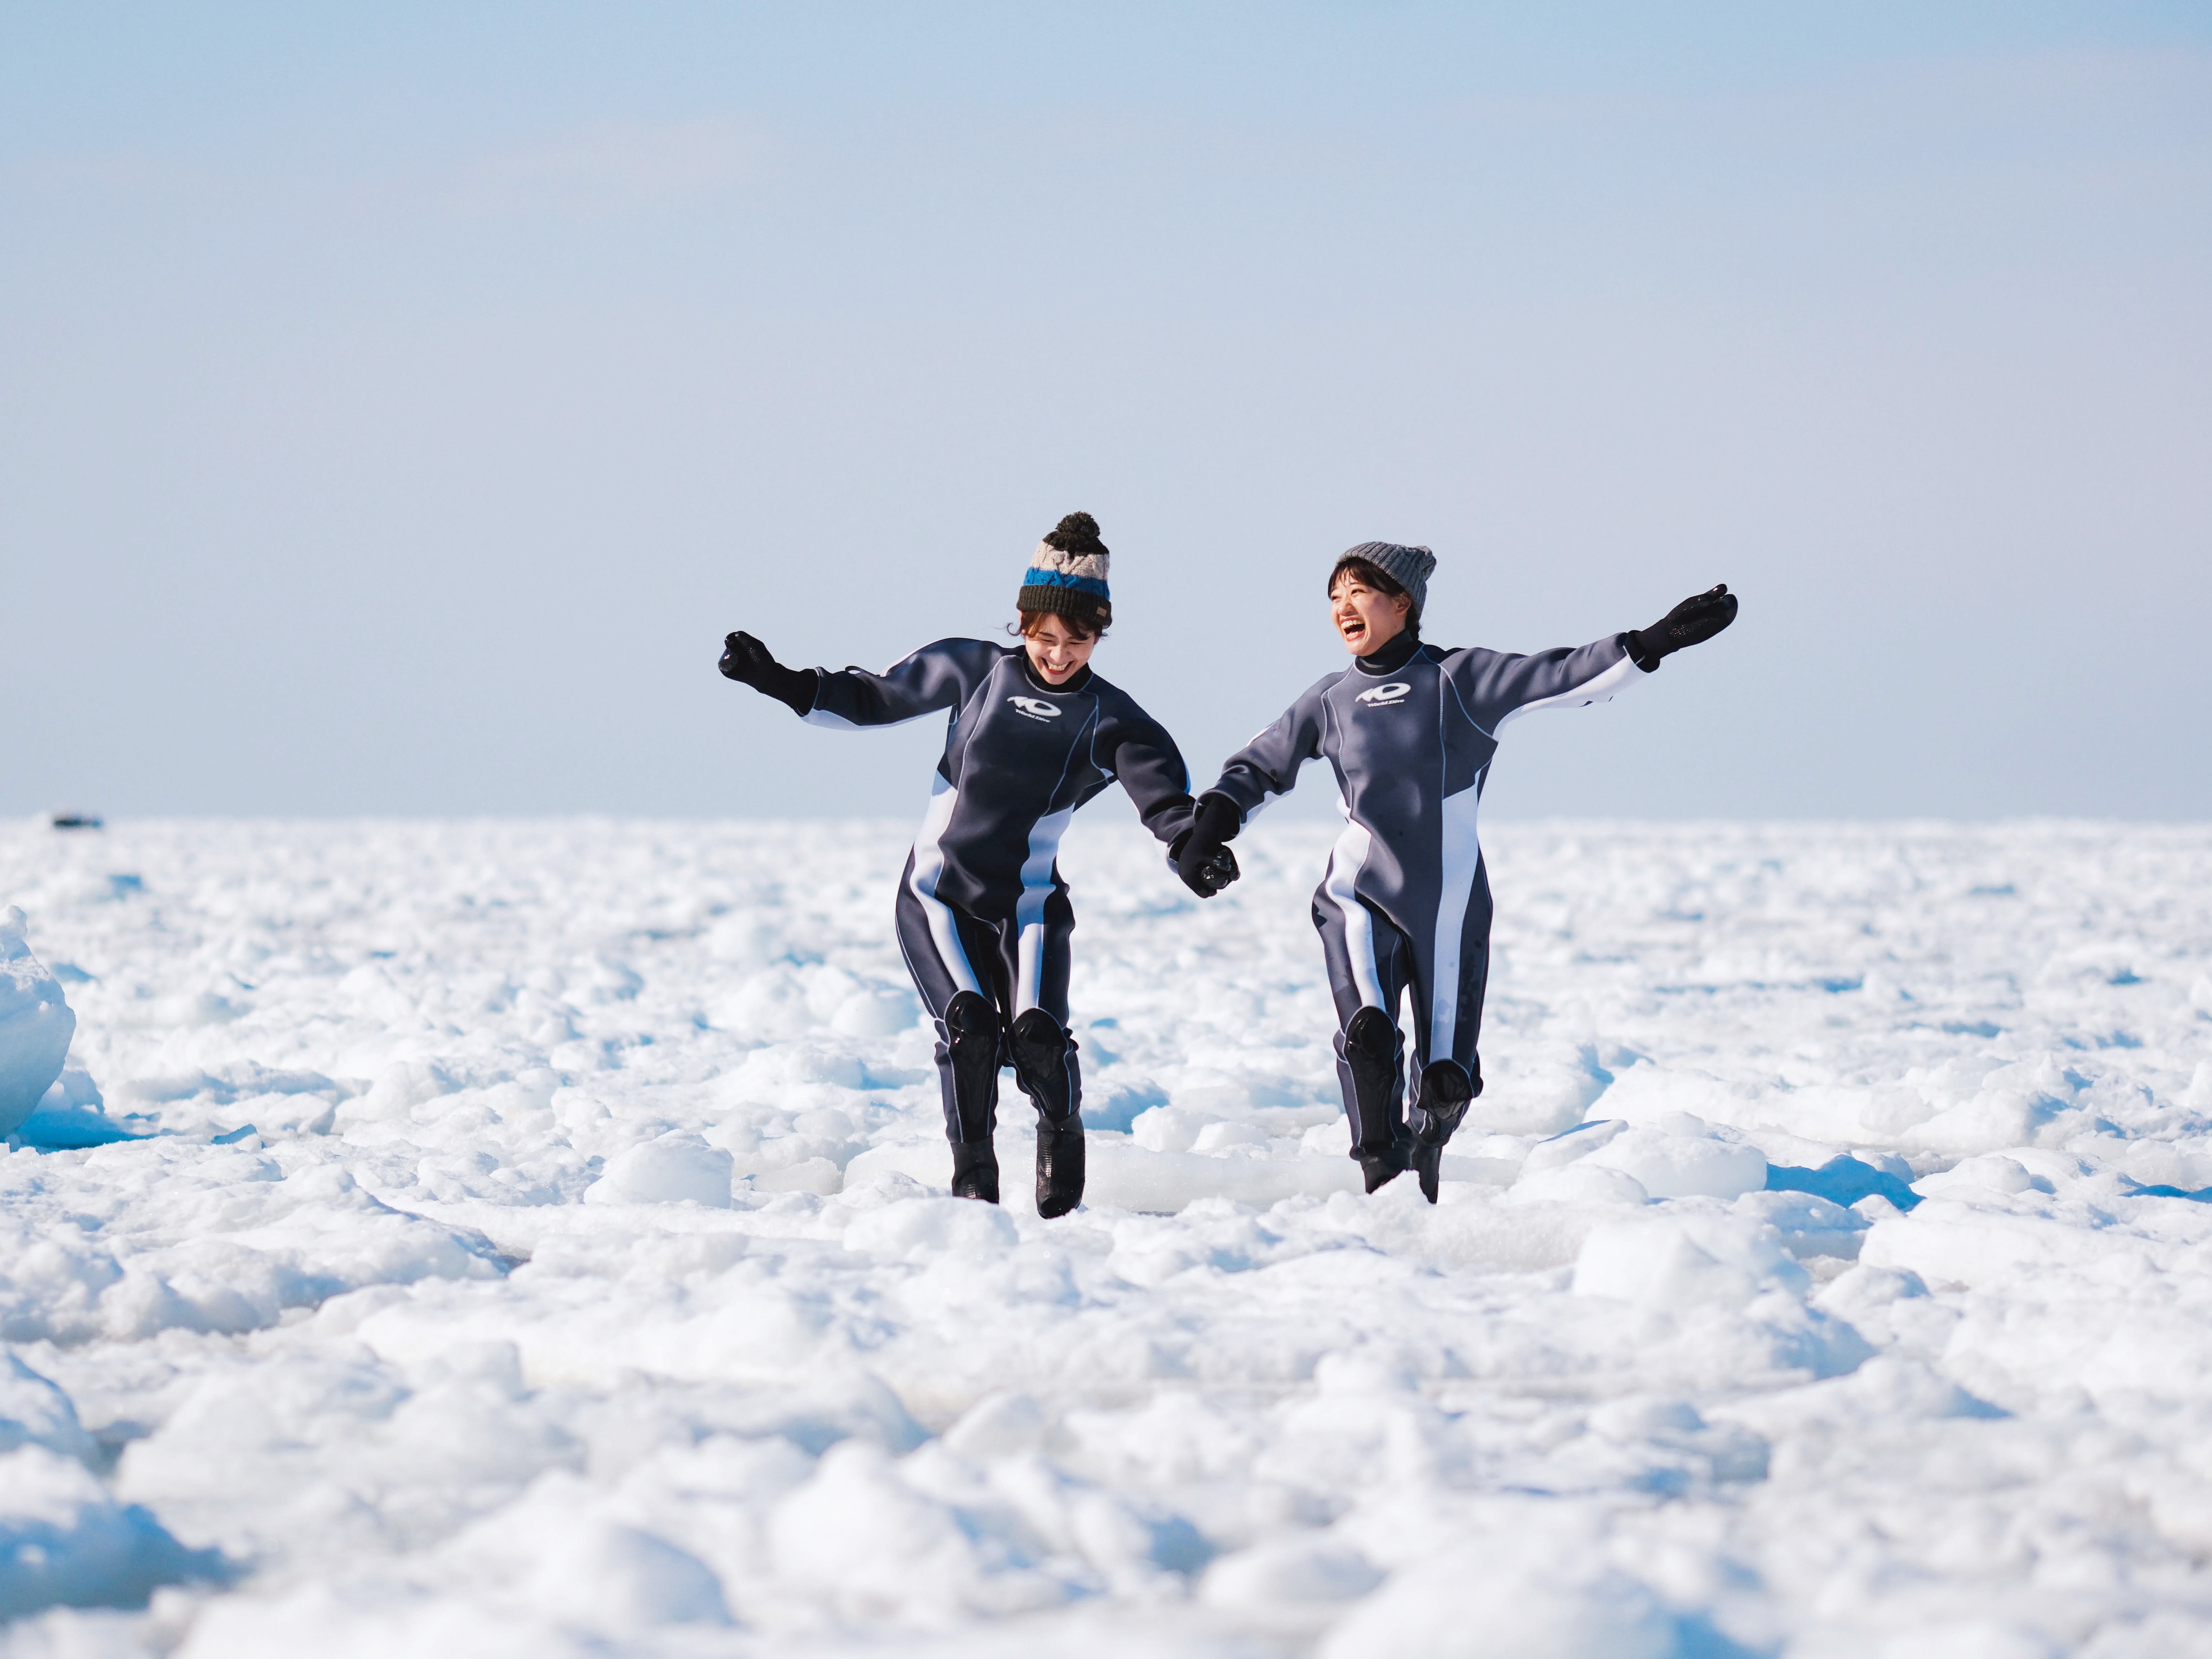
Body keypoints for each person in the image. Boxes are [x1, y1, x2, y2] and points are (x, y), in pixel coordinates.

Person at [1175, 542, 1738, 1202]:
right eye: (1333, 597)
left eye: (1357, 592)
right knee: (1369, 1035)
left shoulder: (1458, 680)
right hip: (1357, 892)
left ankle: (1425, 1148)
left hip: (1451, 904)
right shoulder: (1330, 699)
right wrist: (1208, 829)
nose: (1342, 608)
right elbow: (1258, 765)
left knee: (1445, 1078)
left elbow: (1559, 675)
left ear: (1402, 603)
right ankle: (1379, 1165)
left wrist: (1652, 642)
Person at [717, 512, 1237, 1217]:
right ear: (1024, 622)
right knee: (970, 1030)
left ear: (1099, 635)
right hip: (938, 895)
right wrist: (778, 680)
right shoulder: (975, 670)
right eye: (1045, 637)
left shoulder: (1112, 719)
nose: (1058, 654)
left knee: (1039, 1041)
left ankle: (1061, 1126)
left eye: (1077, 640)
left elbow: (1164, 801)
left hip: (1028, 906)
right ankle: (974, 1179)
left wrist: (1193, 849)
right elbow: (872, 698)